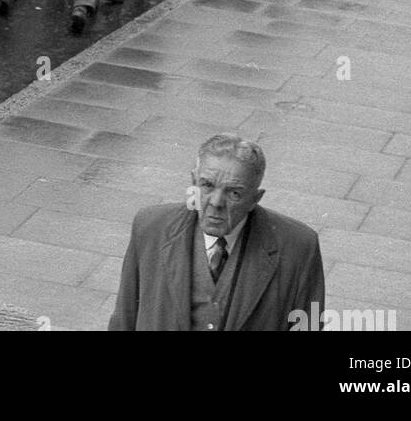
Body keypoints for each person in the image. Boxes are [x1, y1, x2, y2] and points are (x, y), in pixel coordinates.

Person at [109, 134, 325, 332]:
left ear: (255, 199)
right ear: (194, 182)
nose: (215, 202)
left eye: (234, 193)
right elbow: (124, 318)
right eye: (207, 185)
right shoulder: (151, 227)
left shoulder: (298, 247)